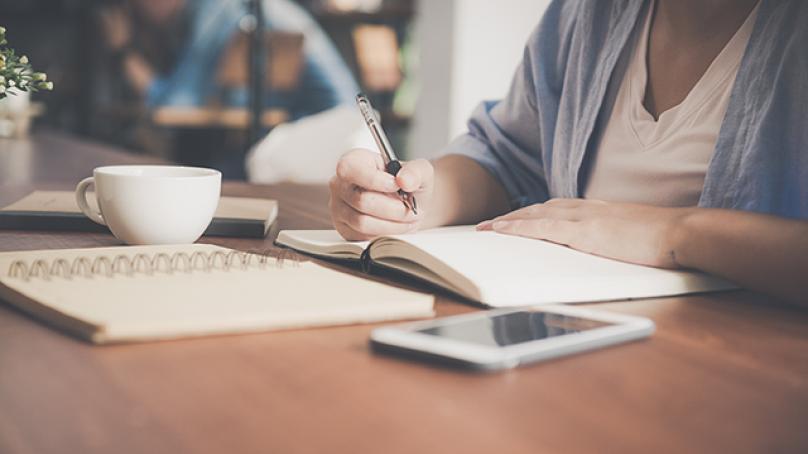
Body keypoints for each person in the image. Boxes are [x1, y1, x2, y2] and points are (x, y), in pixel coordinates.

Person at [328, 0, 808, 306]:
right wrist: (422, 196)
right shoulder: (585, 16)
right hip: (572, 340)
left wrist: (674, 233)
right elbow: (508, 156)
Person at [99, 0, 358, 120]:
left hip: (332, 132)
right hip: (319, 128)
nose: (133, 7)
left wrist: (123, 49)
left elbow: (175, 106)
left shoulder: (217, 9)